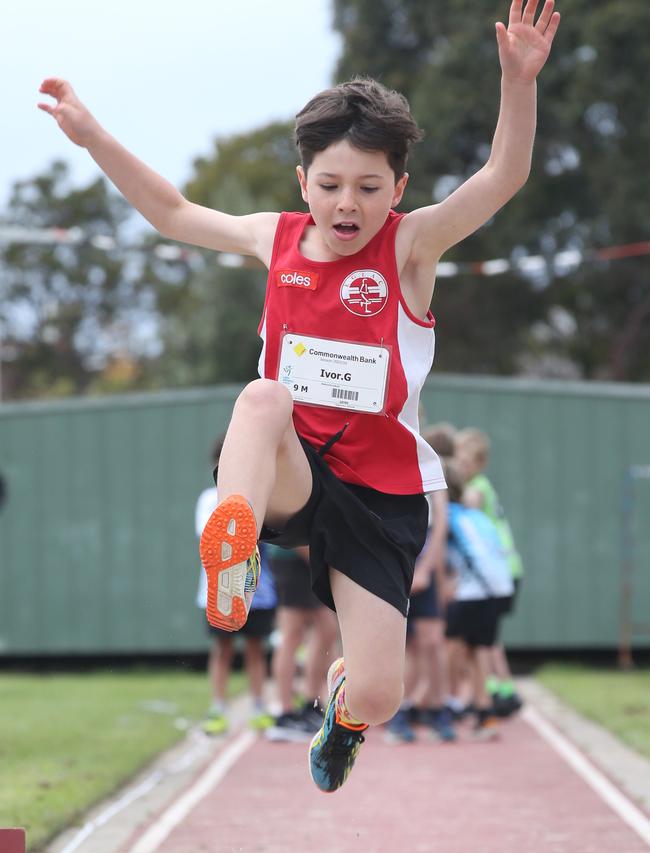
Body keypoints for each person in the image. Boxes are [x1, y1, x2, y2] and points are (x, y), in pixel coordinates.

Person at [39, 0, 560, 792]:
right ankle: (234, 547)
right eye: (330, 185)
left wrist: (518, 82)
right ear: (302, 182)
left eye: (369, 187)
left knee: (383, 694)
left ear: (399, 187)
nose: (348, 204)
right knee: (261, 398)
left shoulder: (412, 246)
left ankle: (343, 713)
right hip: (296, 467)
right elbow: (172, 213)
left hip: (382, 491)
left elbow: (504, 177)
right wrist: (92, 135)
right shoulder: (271, 237)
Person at [195, 438, 276, 735]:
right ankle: (217, 708)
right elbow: (212, 541)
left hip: (259, 590)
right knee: (222, 649)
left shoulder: (265, 494)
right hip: (218, 592)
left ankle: (258, 706)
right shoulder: (208, 499)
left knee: (256, 648)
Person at [385, 422, 457, 744]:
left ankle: (439, 709)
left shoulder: (429, 463)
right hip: (397, 563)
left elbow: (441, 525)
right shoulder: (386, 460)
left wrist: (427, 570)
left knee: (432, 642)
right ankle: (400, 713)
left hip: (423, 564)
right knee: (404, 648)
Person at [455, 427, 525, 716]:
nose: (461, 468)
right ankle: (500, 686)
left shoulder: (479, 487)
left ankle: (501, 688)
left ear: (478, 463)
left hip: (499, 571)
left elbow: (466, 500)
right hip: (498, 571)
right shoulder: (482, 484)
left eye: (465, 463)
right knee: (489, 637)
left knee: (485, 636)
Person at [443, 459, 514, 740]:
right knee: (475, 650)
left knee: (450, 647)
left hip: (477, 590)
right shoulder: (474, 515)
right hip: (499, 587)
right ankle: (485, 713)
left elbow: (440, 552)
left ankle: (445, 704)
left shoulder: (447, 515)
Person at [265, 546, 339, 742]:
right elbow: (292, 520)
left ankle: (310, 705)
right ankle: (285, 714)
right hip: (294, 556)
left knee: (327, 629)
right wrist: (323, 564)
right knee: (291, 633)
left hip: (309, 558)